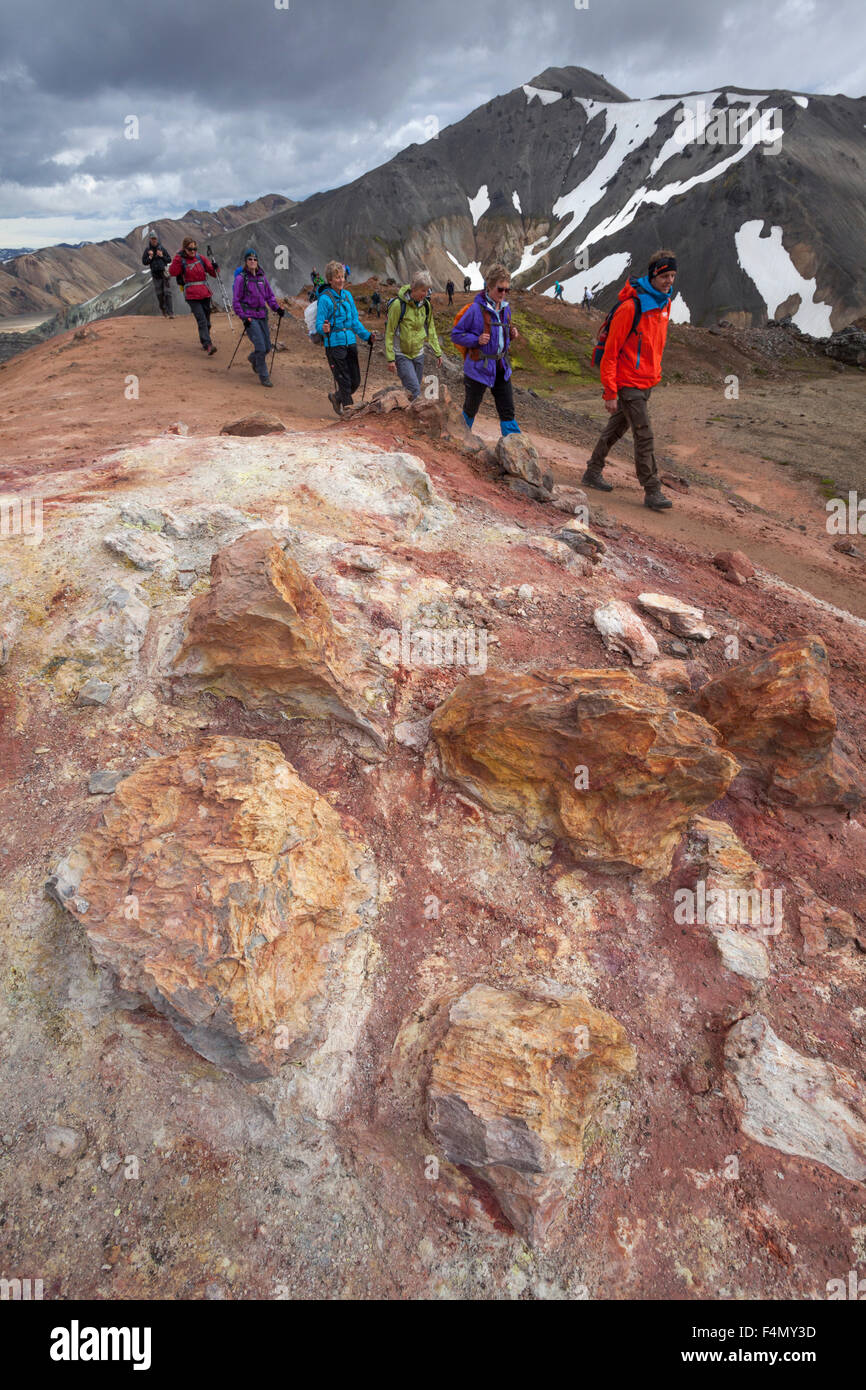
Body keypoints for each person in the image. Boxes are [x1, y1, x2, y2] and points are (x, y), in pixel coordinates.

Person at [583, 249, 677, 511]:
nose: (669, 281)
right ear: (653, 274)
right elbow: (611, 353)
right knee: (644, 434)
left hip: (647, 381)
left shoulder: (664, 303)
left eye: (672, 275)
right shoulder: (630, 307)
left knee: (615, 430)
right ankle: (652, 489)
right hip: (628, 382)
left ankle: (592, 471)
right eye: (664, 275)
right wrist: (610, 392)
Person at [451, 263, 521, 436]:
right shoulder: (475, 309)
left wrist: (511, 334)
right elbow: (456, 334)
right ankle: (459, 438)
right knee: (470, 408)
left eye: (507, 290)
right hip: (477, 367)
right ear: (489, 286)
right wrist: (476, 340)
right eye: (500, 289)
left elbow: (501, 337)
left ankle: (515, 447)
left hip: (501, 367)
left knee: (507, 410)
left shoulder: (506, 309)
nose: (503, 294)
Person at [316, 259, 375, 415]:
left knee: (355, 381)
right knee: (344, 382)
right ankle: (350, 415)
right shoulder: (324, 299)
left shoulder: (348, 296)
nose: (341, 280)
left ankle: (336, 398)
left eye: (342, 276)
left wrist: (367, 336)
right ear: (330, 280)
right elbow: (319, 324)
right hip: (334, 345)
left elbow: (354, 322)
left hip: (350, 343)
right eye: (337, 277)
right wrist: (323, 329)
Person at [384, 271, 443, 402]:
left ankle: (405, 417)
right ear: (413, 288)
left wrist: (438, 352)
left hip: (418, 354)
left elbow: (431, 329)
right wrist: (390, 358)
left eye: (428, 290)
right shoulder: (398, 305)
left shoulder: (426, 306)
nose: (426, 294)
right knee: (415, 391)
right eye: (423, 290)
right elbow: (389, 332)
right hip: (402, 354)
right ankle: (418, 420)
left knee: (410, 391)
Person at [232, 248, 284, 388]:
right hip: (250, 317)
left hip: (262, 315)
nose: (253, 261)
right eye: (250, 259)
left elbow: (269, 296)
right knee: (261, 347)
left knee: (267, 347)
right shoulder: (241, 278)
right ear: (246, 261)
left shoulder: (262, 278)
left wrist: (277, 309)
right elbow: (236, 301)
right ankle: (264, 376)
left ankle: (253, 358)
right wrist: (243, 317)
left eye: (255, 259)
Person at [168, 237, 219, 354]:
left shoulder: (201, 258)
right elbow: (172, 272)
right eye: (190, 249)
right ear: (184, 249)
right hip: (191, 295)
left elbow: (212, 272)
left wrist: (215, 267)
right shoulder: (181, 260)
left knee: (207, 321)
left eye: (194, 248)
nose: (192, 251)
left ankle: (204, 340)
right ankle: (208, 345)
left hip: (205, 293)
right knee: (201, 320)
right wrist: (177, 257)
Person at [142, 233, 174, 317]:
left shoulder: (162, 248)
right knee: (160, 294)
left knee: (167, 292)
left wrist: (162, 256)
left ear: (157, 239)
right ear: (150, 239)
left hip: (164, 273)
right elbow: (144, 262)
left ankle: (170, 312)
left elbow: (169, 259)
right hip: (155, 275)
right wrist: (150, 257)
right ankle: (163, 309)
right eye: (152, 239)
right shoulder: (148, 250)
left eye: (155, 238)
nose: (154, 240)